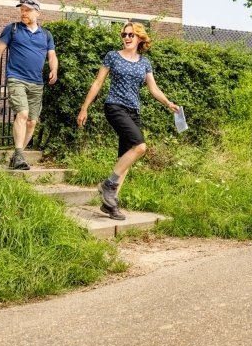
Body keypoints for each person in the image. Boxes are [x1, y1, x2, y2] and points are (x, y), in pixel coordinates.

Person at [77, 22, 180, 220]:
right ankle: (108, 185)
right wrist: (84, 107)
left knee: (125, 159)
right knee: (140, 147)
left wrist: (168, 103)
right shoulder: (112, 56)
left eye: (131, 35)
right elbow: (98, 82)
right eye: (124, 34)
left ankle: (110, 204)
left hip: (134, 111)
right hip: (115, 107)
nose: (126, 37)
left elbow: (153, 89)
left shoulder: (144, 62)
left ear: (140, 38)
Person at [0, 0, 58, 170]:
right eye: (22, 10)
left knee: (32, 122)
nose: (23, 13)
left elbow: (52, 56)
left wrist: (54, 69)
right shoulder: (13, 29)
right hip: (16, 78)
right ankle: (18, 155)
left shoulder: (46, 34)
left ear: (37, 12)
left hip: (36, 82)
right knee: (23, 114)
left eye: (27, 10)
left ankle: (18, 156)